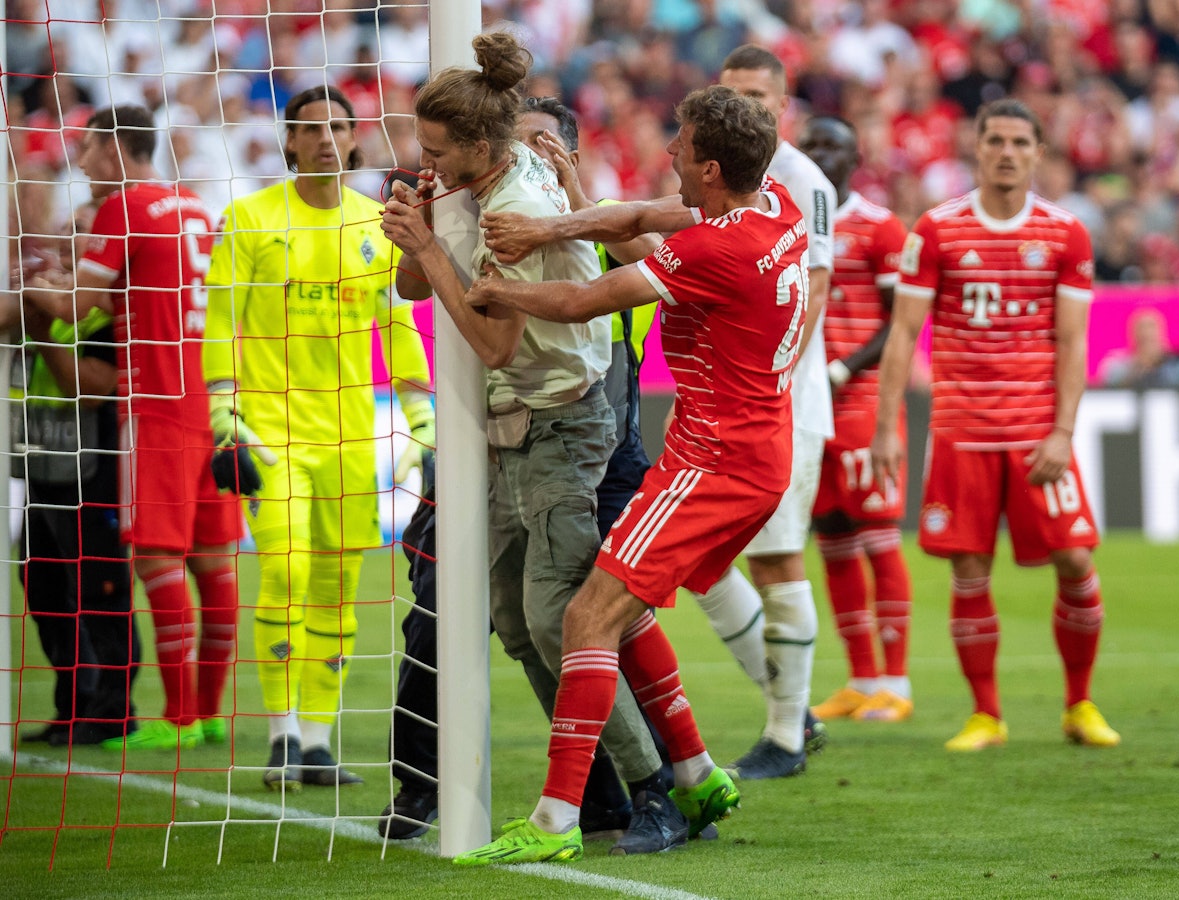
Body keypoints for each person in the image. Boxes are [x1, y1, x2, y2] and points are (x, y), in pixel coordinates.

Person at [448, 83, 809, 865]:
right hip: (745, 448)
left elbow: (582, 299)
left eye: (679, 145)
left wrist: (493, 284)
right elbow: (641, 220)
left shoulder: (718, 247)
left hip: (714, 460)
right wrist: (559, 218)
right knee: (621, 599)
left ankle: (553, 821)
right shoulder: (772, 204)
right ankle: (696, 771)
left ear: (711, 167)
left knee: (585, 618)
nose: (668, 153)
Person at [379, 33, 673, 855]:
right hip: (502, 425)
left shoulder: (520, 209)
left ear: (481, 143)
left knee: (556, 618)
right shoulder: (469, 179)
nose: (421, 156)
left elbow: (498, 344)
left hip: (562, 421)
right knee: (511, 618)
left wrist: (431, 245)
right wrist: (419, 222)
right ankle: (609, 787)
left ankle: (655, 788)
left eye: (437, 149)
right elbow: (411, 284)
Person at [202, 85, 434, 791]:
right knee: (284, 569)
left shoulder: (376, 224)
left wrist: (420, 416)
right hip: (269, 431)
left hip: (348, 435)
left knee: (338, 585)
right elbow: (219, 324)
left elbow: (396, 325)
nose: (326, 139)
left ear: (354, 136)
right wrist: (223, 417)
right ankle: (280, 736)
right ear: (290, 140)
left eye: (337, 126)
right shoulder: (248, 219)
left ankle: (317, 741)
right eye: (311, 129)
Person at [871, 98, 1121, 752]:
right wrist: (887, 428)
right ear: (976, 148)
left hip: (1038, 433)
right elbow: (902, 334)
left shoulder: (1066, 234)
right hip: (961, 433)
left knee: (1074, 558)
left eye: (1019, 142)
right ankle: (986, 714)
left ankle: (1080, 704)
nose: (1007, 152)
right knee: (969, 572)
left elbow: (1073, 343)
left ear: (1038, 153)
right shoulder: (937, 229)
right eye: (996, 140)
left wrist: (1064, 432)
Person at [24, 105, 242, 752]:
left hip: (153, 402)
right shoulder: (196, 207)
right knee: (214, 565)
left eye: (87, 150)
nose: (82, 164)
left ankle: (175, 718)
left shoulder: (123, 207)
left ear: (116, 149)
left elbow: (74, 306)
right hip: (211, 400)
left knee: (153, 557)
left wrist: (30, 286)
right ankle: (207, 714)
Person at [685, 43, 835, 780]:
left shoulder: (804, 181)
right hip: (725, 405)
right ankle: (793, 710)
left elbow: (814, 291)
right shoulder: (713, 177)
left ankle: (784, 733)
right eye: (733, 95)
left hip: (781, 402)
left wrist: (769, 380)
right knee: (703, 564)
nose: (745, 107)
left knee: (774, 559)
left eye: (758, 97)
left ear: (784, 102)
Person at [798, 115, 917, 723]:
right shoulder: (792, 219)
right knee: (836, 539)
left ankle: (896, 682)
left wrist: (843, 369)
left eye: (833, 146)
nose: (820, 154)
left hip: (863, 400)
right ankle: (862, 677)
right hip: (811, 405)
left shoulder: (879, 226)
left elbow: (901, 320)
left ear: (855, 157)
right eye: (811, 144)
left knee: (877, 536)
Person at [16, 201, 140, 747]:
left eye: (84, 234)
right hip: (42, 466)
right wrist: (33, 298)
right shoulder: (42, 297)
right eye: (67, 231)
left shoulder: (114, 309)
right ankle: (74, 702)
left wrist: (42, 323)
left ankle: (116, 708)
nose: (71, 241)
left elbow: (90, 385)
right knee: (41, 585)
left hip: (95, 471)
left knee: (101, 589)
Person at [1097, 306, 1179, 389]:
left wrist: (1160, 361)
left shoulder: (1178, 366)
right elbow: (1110, 393)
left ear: (1162, 332)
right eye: (1141, 327)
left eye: (1151, 326)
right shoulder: (1116, 366)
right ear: (1131, 334)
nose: (1146, 333)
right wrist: (1139, 365)